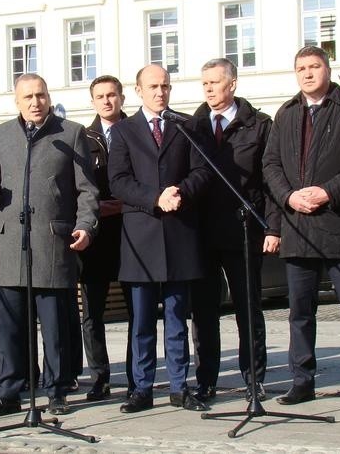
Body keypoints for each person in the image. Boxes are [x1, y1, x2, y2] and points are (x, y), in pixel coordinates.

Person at [262, 46, 340, 408]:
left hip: (339, 226)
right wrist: (289, 197)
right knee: (300, 312)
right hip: (298, 228)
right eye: (301, 68)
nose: (308, 73)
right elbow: (270, 165)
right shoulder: (285, 114)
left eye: (314, 66)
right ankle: (302, 381)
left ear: (327, 70)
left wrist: (327, 192)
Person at [0, 73, 98, 417]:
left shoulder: (70, 133)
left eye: (40, 95)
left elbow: (87, 189)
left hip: (52, 242)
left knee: (55, 326)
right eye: (27, 97)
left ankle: (57, 389)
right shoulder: (2, 134)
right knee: (10, 328)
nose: (35, 102)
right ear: (16, 101)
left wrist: (86, 225)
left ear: (48, 96)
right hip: (10, 243)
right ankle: (9, 392)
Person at [108, 64, 212, 413]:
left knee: (176, 317)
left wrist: (179, 191)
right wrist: (156, 198)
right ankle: (141, 388)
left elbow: (202, 171)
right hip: (142, 238)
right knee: (141, 322)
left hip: (179, 233)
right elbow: (118, 180)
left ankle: (180, 387)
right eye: (153, 87)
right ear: (138, 90)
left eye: (165, 86)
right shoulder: (123, 131)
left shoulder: (187, 125)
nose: (160, 92)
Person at [189, 58, 280, 404]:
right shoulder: (193, 125)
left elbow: (270, 179)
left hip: (243, 230)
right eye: (205, 84)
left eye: (215, 83)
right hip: (203, 234)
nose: (210, 89)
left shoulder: (258, 125)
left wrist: (273, 226)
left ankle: (253, 378)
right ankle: (207, 379)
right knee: (205, 312)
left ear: (233, 84)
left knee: (248, 308)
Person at [79, 75, 133, 401]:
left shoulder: (137, 131)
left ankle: (136, 378)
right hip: (96, 236)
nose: (107, 101)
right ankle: (99, 378)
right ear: (93, 101)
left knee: (136, 311)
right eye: (100, 96)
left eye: (112, 94)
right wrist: (95, 208)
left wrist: (129, 202)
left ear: (122, 97)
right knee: (91, 313)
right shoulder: (82, 138)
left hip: (131, 233)